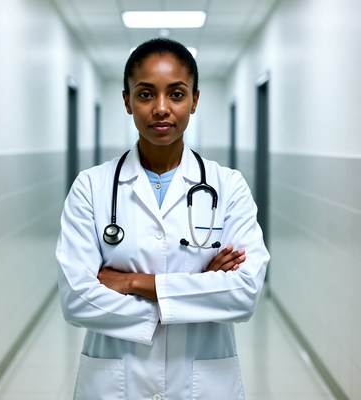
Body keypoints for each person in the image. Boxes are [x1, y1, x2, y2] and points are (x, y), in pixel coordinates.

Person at [56, 37, 269, 400]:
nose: (160, 108)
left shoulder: (228, 185)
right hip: (115, 382)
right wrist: (198, 288)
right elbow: (76, 298)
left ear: (194, 100)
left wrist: (137, 283)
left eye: (176, 94)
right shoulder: (91, 187)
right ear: (127, 101)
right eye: (144, 94)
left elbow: (245, 293)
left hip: (204, 382)